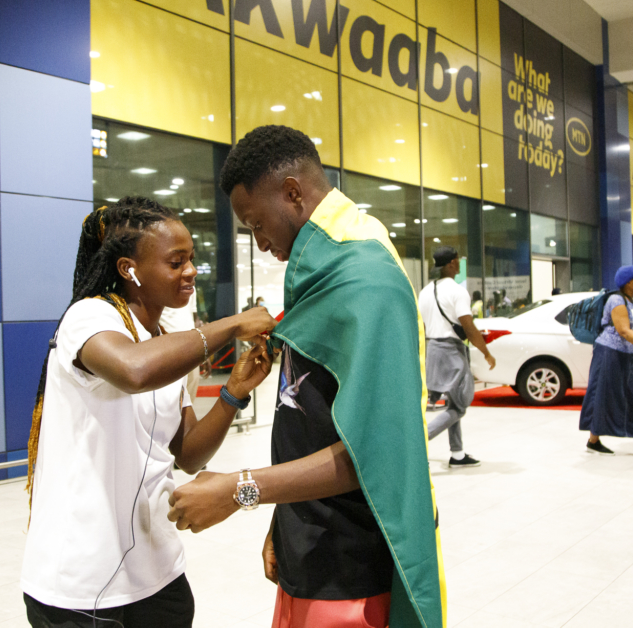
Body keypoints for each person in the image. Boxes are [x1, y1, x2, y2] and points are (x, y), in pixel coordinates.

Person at [166, 126, 445, 628]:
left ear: (292, 193)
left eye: (256, 223)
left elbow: (373, 454)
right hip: (309, 545)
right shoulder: (318, 272)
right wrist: (282, 517)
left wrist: (240, 489)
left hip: (351, 568)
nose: (259, 241)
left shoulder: (365, 280)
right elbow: (311, 420)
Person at [20, 198, 277, 628]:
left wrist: (233, 393)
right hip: (81, 585)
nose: (191, 271)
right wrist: (232, 326)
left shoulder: (163, 338)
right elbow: (134, 370)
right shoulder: (88, 318)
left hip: (157, 573)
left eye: (191, 259)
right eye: (176, 262)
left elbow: (189, 454)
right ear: (129, 269)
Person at [418, 246, 496, 468]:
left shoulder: (426, 291)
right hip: (451, 351)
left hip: (432, 348)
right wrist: (486, 353)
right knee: (460, 405)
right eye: (458, 260)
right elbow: (468, 327)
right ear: (452, 263)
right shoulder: (457, 291)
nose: (459, 263)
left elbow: (424, 324)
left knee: (453, 401)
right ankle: (422, 439)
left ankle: (458, 454)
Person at [579, 266, 633, 457]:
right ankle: (594, 441)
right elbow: (624, 331)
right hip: (609, 354)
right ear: (628, 282)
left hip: (624, 355)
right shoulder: (616, 300)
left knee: (632, 395)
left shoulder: (631, 300)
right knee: (603, 396)